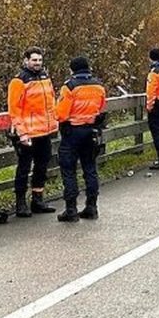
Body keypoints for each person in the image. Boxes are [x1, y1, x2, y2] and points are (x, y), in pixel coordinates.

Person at [6, 47, 58, 218]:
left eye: (40, 60)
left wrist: (54, 125)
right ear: (26, 60)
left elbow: (51, 103)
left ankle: (37, 200)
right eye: (34, 60)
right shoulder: (19, 81)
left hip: (44, 131)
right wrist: (22, 133)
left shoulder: (45, 78)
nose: (37, 63)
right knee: (23, 168)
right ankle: (20, 203)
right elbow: (14, 110)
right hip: (27, 133)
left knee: (42, 166)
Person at [55, 56, 107, 222]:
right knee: (90, 169)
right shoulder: (98, 86)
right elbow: (101, 108)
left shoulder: (69, 87)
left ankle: (71, 209)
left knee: (69, 170)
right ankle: (92, 206)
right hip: (91, 131)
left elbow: (61, 114)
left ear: (72, 70)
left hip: (72, 132)